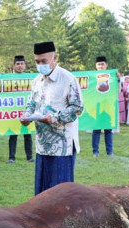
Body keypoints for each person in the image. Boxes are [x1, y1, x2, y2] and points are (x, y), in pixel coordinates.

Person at [20, 41, 83, 195]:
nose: (40, 65)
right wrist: (26, 117)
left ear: (55, 58)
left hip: (62, 146)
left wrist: (54, 118)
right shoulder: (37, 80)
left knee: (61, 194)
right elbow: (32, 103)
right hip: (42, 144)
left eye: (44, 61)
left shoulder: (67, 78)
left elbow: (77, 108)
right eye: (37, 61)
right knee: (42, 193)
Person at [7, 55, 34, 164]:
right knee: (13, 135)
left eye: (22, 64)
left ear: (25, 65)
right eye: (17, 64)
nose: (20, 66)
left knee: (28, 134)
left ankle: (29, 156)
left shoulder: (31, 79)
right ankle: (11, 157)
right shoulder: (8, 79)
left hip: (26, 111)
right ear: (13, 66)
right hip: (13, 112)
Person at [91, 56, 114, 157]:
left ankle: (109, 151)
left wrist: (117, 78)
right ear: (96, 66)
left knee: (108, 130)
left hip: (108, 106)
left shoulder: (112, 76)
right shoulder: (91, 77)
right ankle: (95, 151)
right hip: (97, 107)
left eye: (102, 64)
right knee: (96, 130)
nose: (100, 66)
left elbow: (116, 89)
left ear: (106, 65)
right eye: (99, 64)